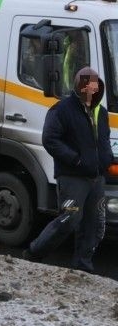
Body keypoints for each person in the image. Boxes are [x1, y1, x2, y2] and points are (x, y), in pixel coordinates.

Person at [23, 67, 111, 272]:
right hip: (72, 177)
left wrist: (106, 161)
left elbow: (104, 141)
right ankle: (34, 252)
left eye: (94, 84)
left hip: (96, 179)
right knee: (69, 218)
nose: (91, 88)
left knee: (94, 225)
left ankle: (82, 267)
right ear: (79, 86)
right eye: (87, 84)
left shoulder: (102, 112)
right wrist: (76, 160)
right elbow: (50, 139)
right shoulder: (61, 109)